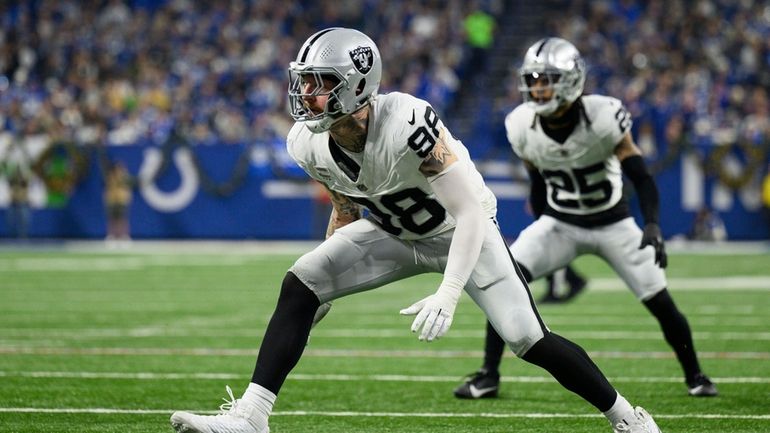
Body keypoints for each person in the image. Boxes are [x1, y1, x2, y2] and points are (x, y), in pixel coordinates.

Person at [169, 28, 662, 433]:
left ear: (357, 84)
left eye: (319, 82)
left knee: (527, 338)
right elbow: (346, 210)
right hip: (395, 234)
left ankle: (629, 419)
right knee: (301, 282)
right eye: (303, 82)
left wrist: (449, 291)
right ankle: (252, 416)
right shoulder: (308, 143)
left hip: (460, 231)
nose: (305, 95)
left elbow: (470, 214)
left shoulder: (408, 121)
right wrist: (325, 292)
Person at [453, 37, 717, 401]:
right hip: (561, 222)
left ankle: (696, 375)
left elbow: (641, 175)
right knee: (504, 280)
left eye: (545, 79)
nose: (536, 88)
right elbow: (537, 183)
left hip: (614, 222)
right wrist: (542, 226)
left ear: (571, 79)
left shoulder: (604, 116)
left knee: (660, 300)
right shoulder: (520, 124)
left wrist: (653, 223)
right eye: (532, 80)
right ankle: (488, 375)